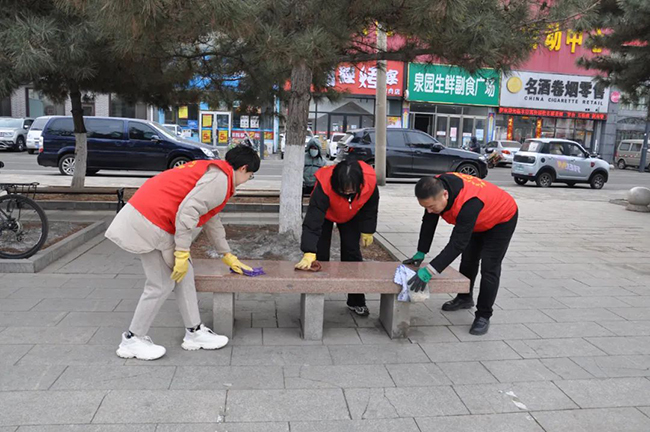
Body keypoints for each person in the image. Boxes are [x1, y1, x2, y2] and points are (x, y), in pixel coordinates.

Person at [105, 145, 260, 360]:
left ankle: (194, 332)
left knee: (184, 275)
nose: (247, 180)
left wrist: (226, 254)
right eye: (250, 176)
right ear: (243, 168)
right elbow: (188, 212)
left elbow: (210, 218)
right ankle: (132, 339)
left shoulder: (216, 171)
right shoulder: (220, 180)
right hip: (149, 222)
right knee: (160, 284)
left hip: (150, 218)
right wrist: (181, 252)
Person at [403, 172, 517, 335]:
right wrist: (421, 252)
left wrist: (429, 271)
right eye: (425, 207)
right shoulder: (434, 186)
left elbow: (457, 244)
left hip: (501, 218)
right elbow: (429, 222)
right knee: (468, 260)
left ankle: (483, 315)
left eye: (431, 207)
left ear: (445, 195)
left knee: (489, 267)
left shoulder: (469, 203)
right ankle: (464, 298)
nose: (429, 211)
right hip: (478, 219)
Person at [296, 158, 379, 316]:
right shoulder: (324, 184)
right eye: (343, 189)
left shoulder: (369, 180)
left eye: (351, 190)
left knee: (352, 255)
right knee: (319, 255)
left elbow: (371, 207)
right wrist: (308, 250)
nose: (347, 193)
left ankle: (356, 301)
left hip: (351, 214)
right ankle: (313, 300)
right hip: (325, 215)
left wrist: (368, 230)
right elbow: (313, 221)